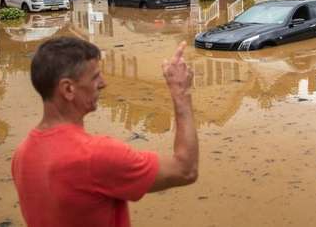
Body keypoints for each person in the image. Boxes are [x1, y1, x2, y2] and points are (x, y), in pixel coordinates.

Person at [12, 37, 198, 227]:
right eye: (95, 77)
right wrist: (180, 92)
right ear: (68, 89)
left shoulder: (22, 155)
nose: (103, 83)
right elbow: (185, 170)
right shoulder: (96, 155)